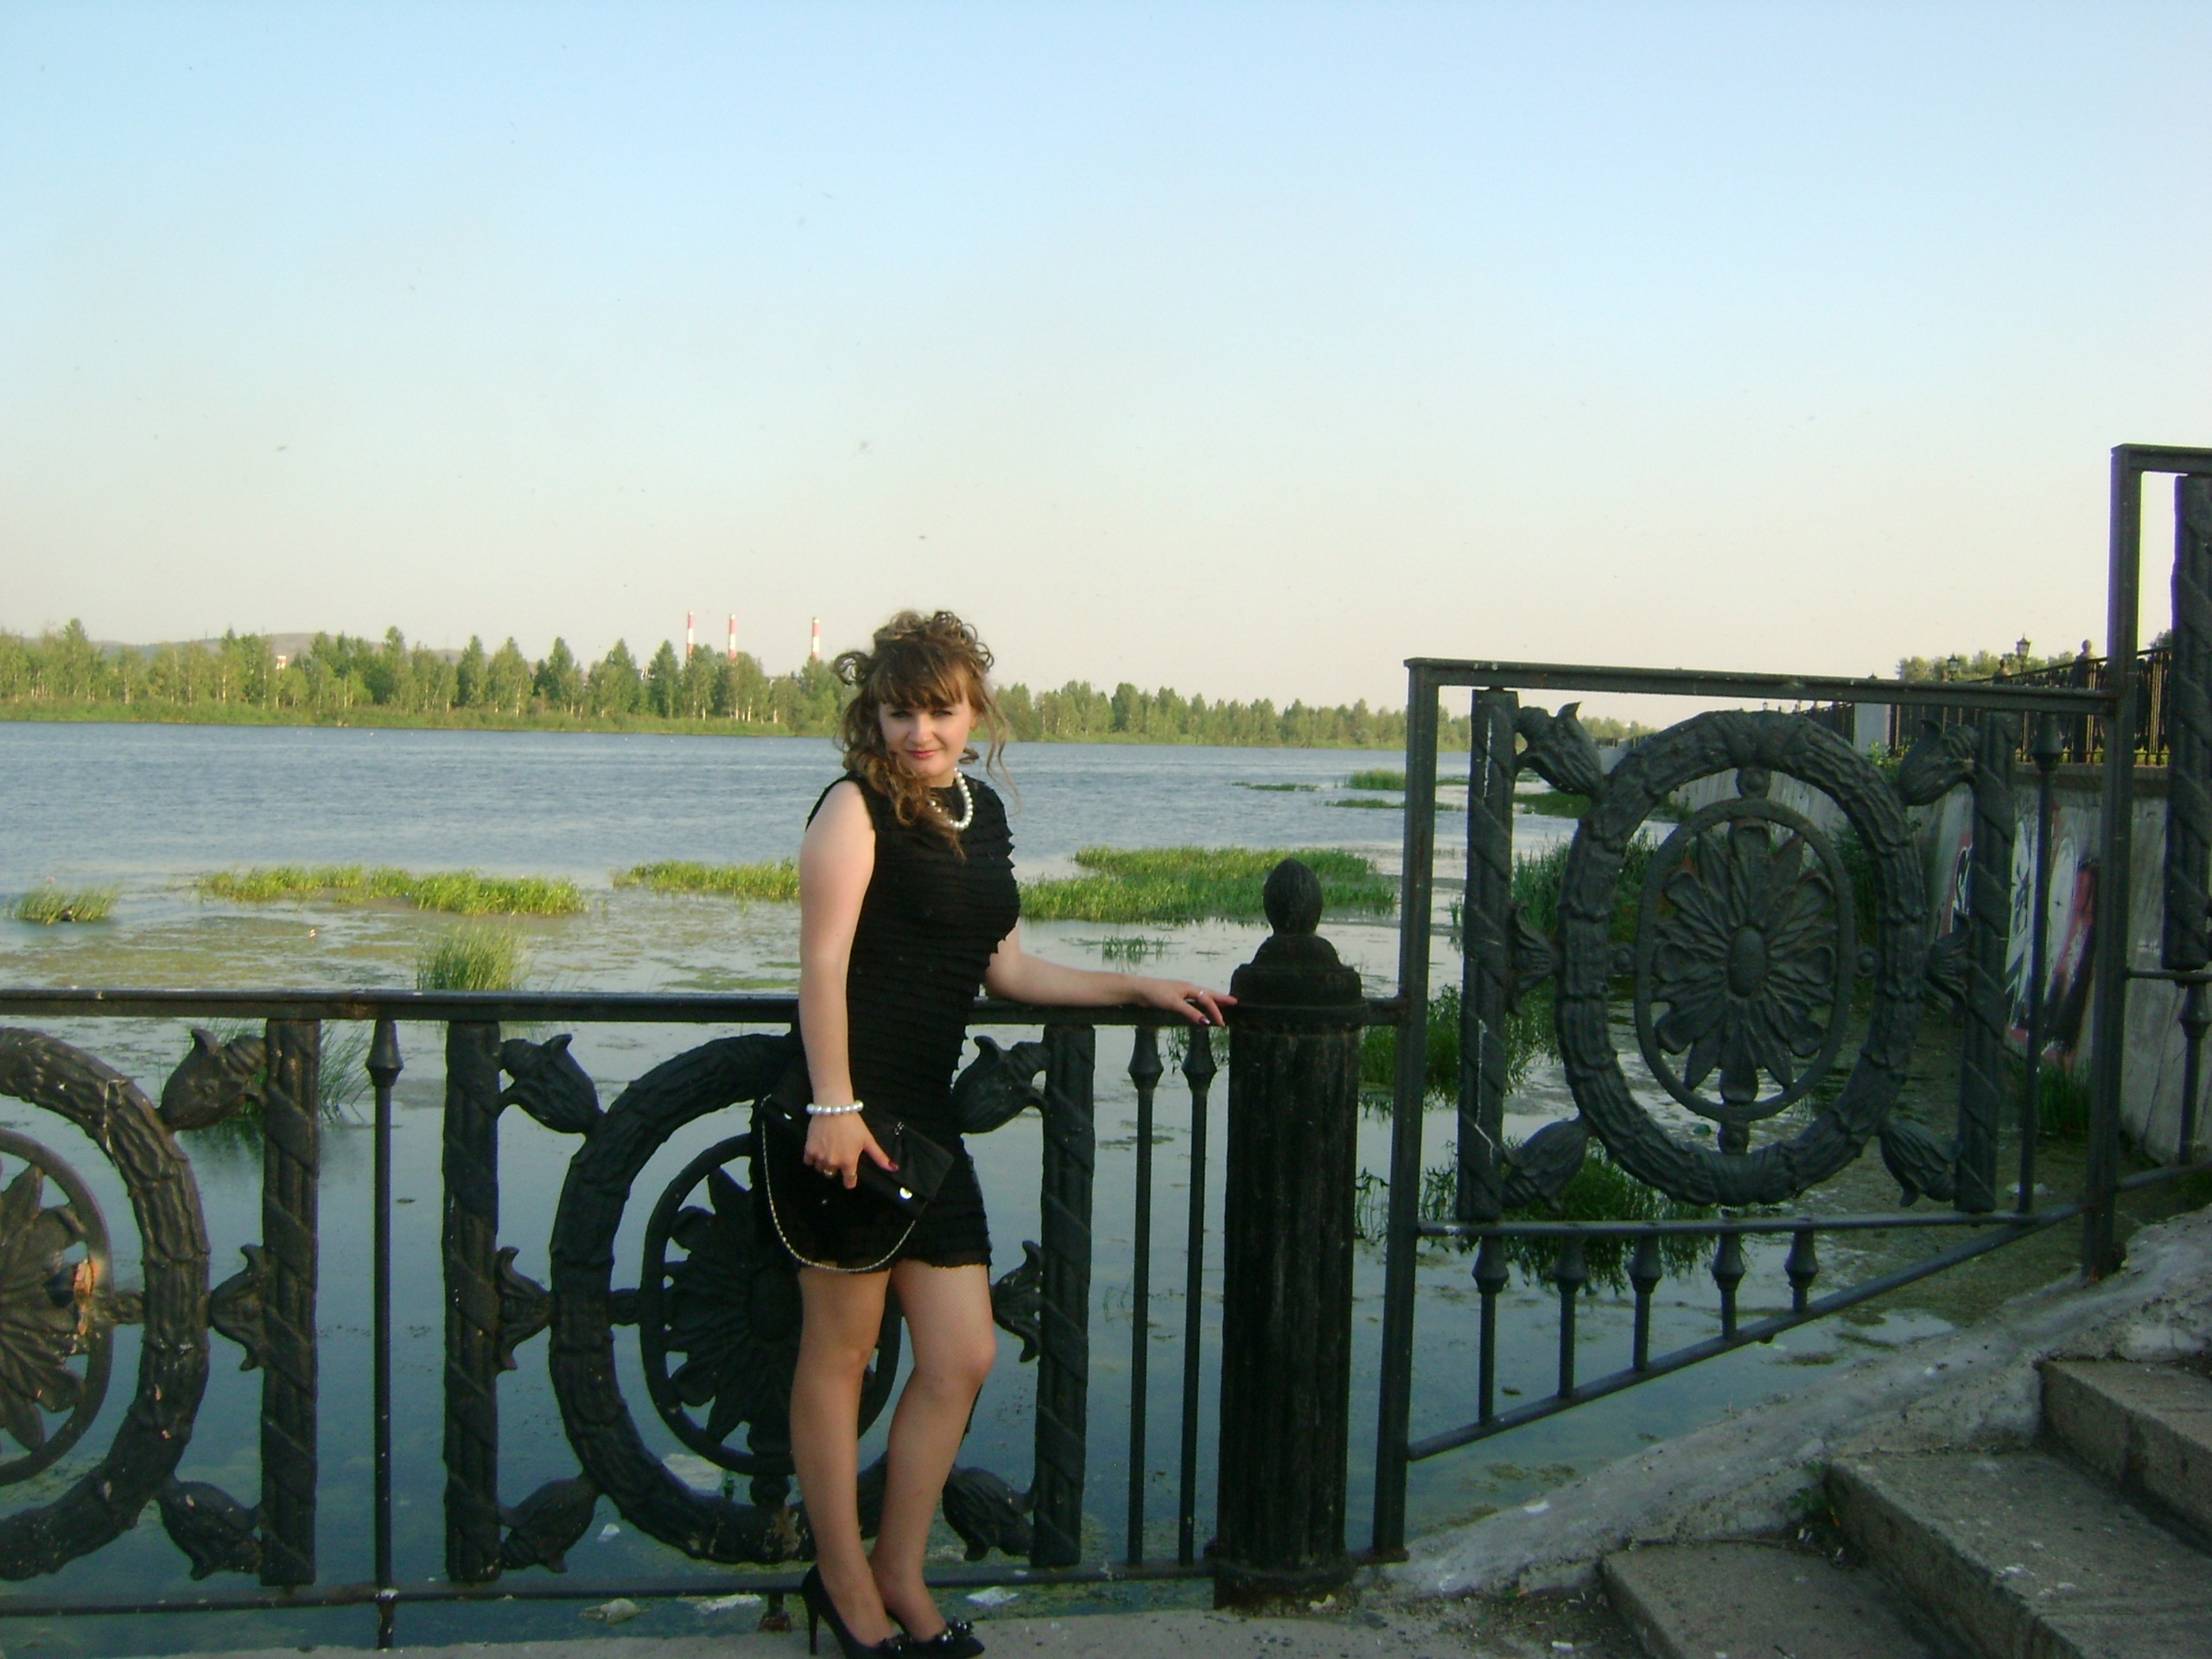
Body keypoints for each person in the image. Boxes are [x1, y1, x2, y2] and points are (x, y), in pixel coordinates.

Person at [780, 611, 1230, 1658]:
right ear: (872, 717)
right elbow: (821, 965)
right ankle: (843, 1587)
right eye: (900, 712)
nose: (920, 732)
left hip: (926, 1122)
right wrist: (834, 1105)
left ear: (974, 711)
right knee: (840, 1358)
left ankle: (900, 1569)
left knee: (963, 1353)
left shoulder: (976, 813)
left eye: (940, 711)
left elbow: (1010, 970)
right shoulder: (852, 807)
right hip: (849, 1118)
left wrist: (1136, 986)